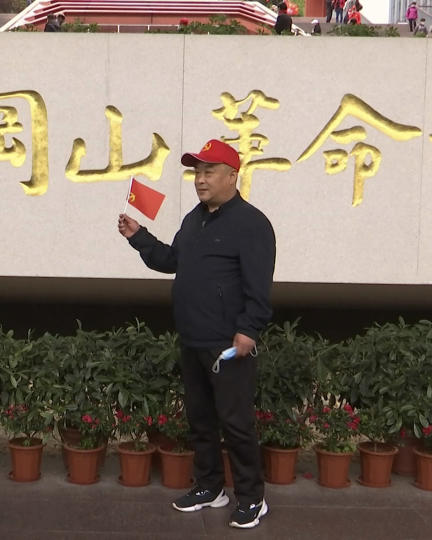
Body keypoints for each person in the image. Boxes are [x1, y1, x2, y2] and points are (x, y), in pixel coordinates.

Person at [117, 139, 275, 530]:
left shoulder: (252, 224)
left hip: (229, 345)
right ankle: (210, 487)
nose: (200, 180)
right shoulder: (195, 218)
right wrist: (139, 236)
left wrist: (247, 330)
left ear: (232, 176)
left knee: (236, 423)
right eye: (196, 172)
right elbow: (173, 261)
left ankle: (253, 498)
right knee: (201, 419)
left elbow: (260, 287)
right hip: (193, 338)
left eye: (209, 172)